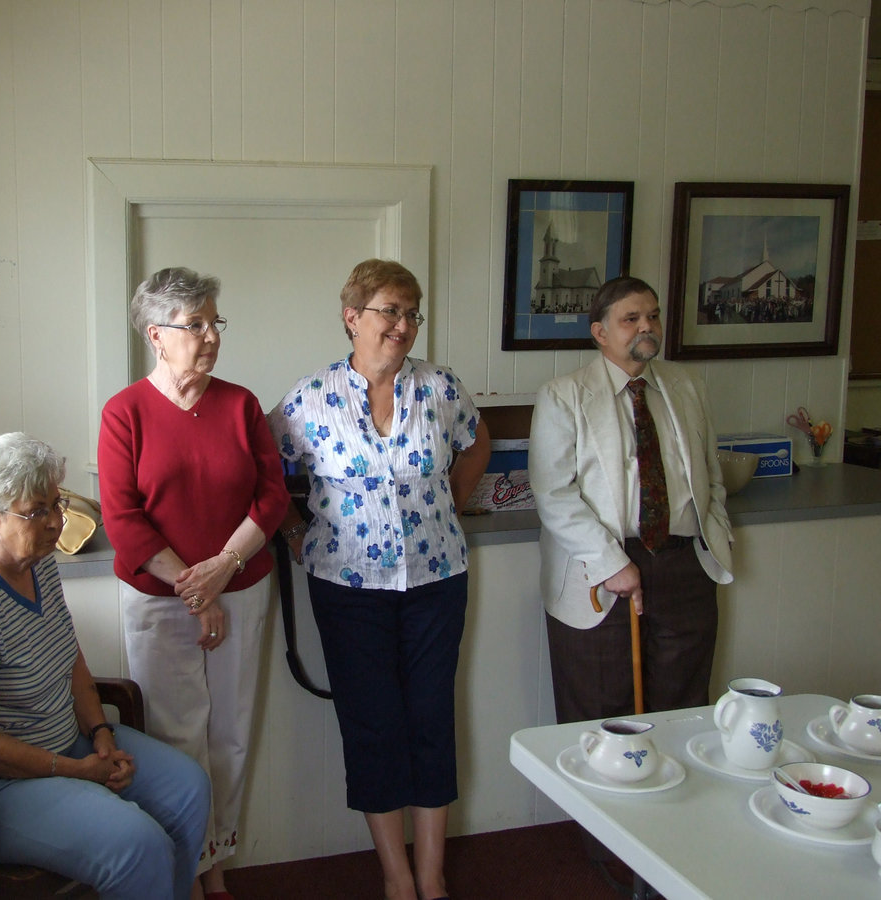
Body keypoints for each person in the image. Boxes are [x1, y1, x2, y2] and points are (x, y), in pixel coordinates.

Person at [0, 432, 210, 900]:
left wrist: (101, 735)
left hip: (65, 744)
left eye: (56, 503)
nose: (56, 522)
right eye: (37, 511)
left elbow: (69, 657)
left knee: (190, 790)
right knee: (136, 844)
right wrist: (77, 770)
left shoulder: (36, 560)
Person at [268, 258, 490, 900]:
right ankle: (396, 876)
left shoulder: (441, 388)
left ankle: (432, 875)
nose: (402, 324)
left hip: (436, 577)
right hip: (346, 586)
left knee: (430, 716)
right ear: (352, 317)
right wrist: (293, 529)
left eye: (411, 313)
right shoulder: (309, 399)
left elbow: (478, 441)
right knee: (371, 722)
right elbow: (265, 471)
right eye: (389, 310)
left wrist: (455, 497)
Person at [97, 267, 289, 900]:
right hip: (160, 601)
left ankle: (216, 859)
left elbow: (271, 497)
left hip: (241, 587)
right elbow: (124, 520)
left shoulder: (240, 404)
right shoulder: (124, 413)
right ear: (157, 335)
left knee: (231, 733)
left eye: (214, 323)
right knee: (175, 739)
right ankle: (189, 861)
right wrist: (193, 587)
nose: (210, 336)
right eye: (195, 325)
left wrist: (224, 568)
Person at [528, 276, 734, 725]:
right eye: (631, 319)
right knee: (603, 717)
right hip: (600, 572)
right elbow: (553, 494)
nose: (647, 326)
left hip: (684, 567)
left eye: (653, 316)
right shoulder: (563, 396)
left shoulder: (687, 387)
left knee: (683, 712)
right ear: (600, 333)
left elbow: (711, 475)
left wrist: (713, 537)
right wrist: (611, 564)